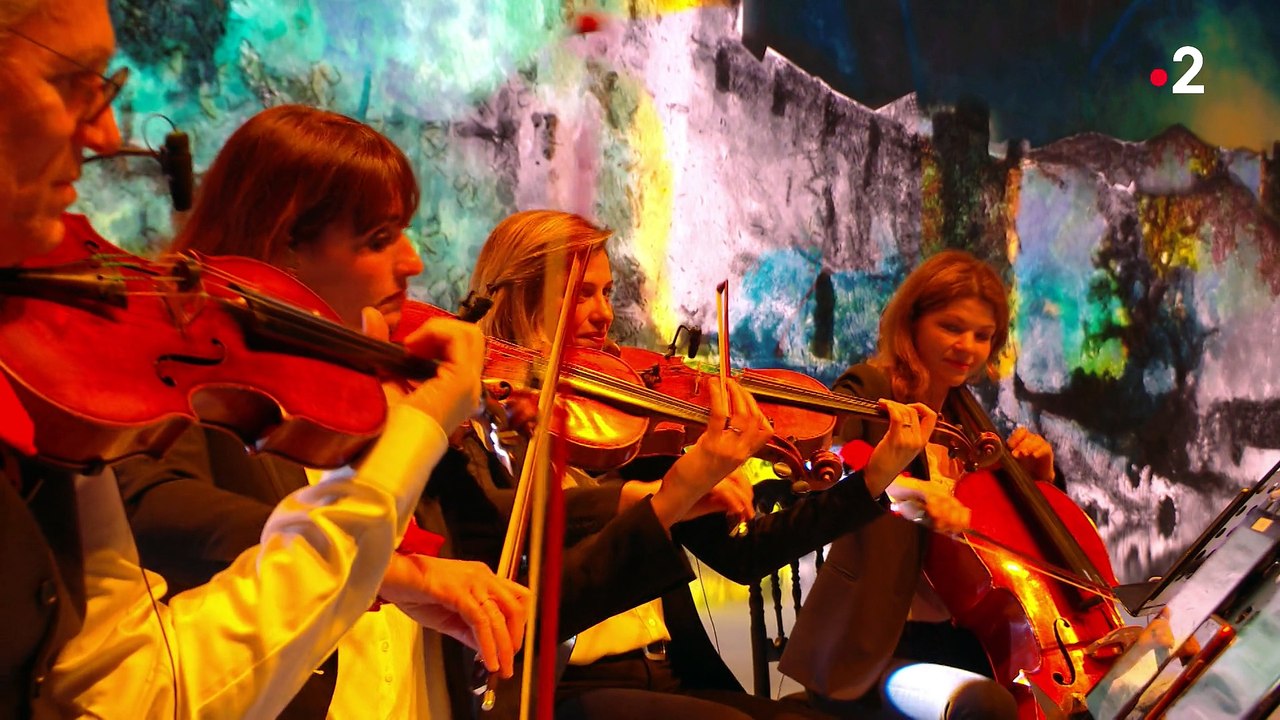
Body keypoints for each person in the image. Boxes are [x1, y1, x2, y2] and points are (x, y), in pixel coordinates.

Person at [116, 104, 764, 719]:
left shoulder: (386, 393)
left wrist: (638, 497)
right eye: (379, 238)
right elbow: (151, 505)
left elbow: (487, 541)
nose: (414, 262)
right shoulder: (199, 387)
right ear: (285, 244)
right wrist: (389, 570)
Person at [0, 3, 495, 718]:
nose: (108, 134)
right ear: (283, 240)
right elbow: (140, 684)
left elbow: (128, 670)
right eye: (69, 81)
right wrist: (390, 499)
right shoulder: (155, 394)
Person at [464, 209, 970, 720]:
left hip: (665, 673)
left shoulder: (631, 419)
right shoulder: (482, 425)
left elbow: (746, 555)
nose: (603, 314)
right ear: (522, 295)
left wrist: (872, 480)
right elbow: (508, 522)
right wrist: (645, 499)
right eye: (580, 294)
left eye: (607, 293)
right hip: (559, 685)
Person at [779, 250, 1048, 719]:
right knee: (985, 707)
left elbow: (997, 540)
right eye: (952, 327)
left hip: (965, 642)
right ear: (913, 322)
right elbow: (837, 466)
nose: (967, 346)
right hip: (876, 646)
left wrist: (1041, 482)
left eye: (983, 336)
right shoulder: (870, 387)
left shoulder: (970, 422)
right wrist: (913, 497)